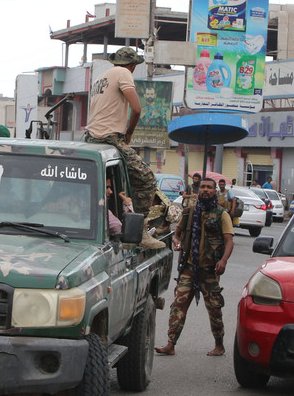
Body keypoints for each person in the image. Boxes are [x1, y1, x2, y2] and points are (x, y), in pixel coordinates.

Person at [84, 46, 167, 249]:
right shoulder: (123, 73)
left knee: (118, 182)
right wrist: (129, 133)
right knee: (147, 179)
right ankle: (139, 230)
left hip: (91, 136)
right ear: (132, 65)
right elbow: (137, 109)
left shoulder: (101, 77)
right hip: (109, 137)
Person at [156, 178, 234, 357]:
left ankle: (219, 344)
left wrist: (223, 261)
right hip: (189, 268)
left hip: (209, 270)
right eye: (202, 187)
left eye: (209, 187)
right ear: (198, 190)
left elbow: (229, 241)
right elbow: (176, 234)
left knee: (214, 309)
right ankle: (170, 344)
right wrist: (177, 242)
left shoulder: (221, 214)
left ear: (215, 191)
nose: (205, 190)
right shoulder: (189, 213)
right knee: (178, 304)